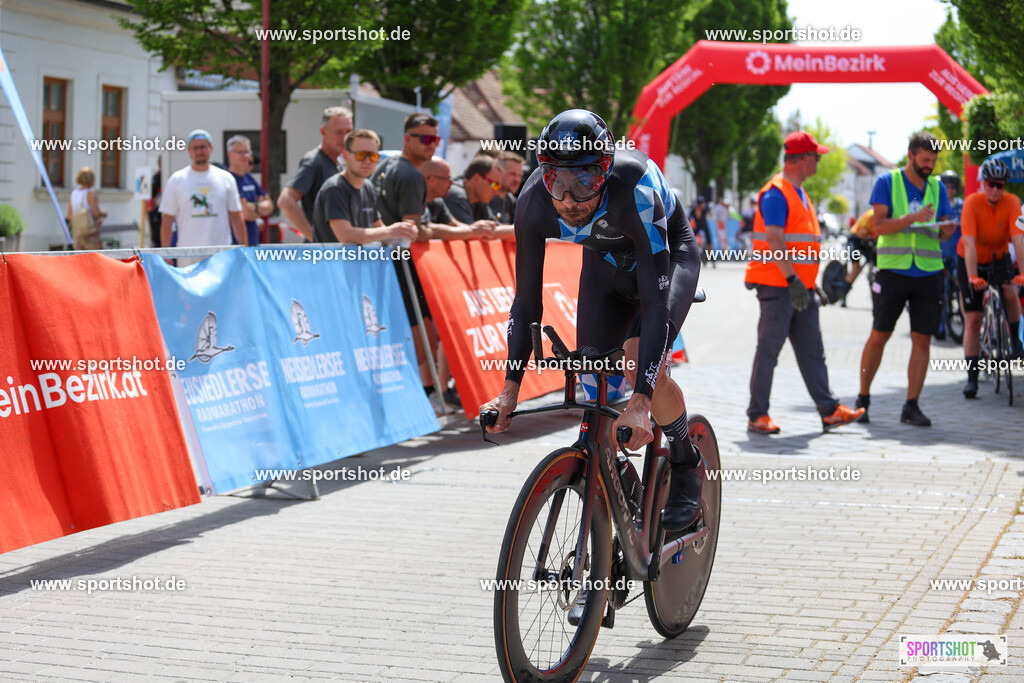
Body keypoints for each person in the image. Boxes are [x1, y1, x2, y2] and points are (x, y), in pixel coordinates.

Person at [480, 109, 703, 532]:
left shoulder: (633, 187)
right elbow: (526, 302)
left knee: (639, 368)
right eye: (556, 179)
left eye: (585, 179)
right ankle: (618, 485)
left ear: (605, 170)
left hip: (667, 258)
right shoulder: (532, 202)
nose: (569, 198)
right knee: (593, 375)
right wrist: (509, 392)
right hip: (604, 263)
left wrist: (639, 403)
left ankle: (685, 457)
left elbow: (654, 306)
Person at [744, 131, 865, 434]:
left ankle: (829, 410)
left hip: (800, 288)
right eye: (817, 156)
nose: (819, 161)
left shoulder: (798, 192)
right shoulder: (776, 192)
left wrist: (810, 285)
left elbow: (801, 247)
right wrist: (794, 281)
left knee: (813, 351)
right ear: (803, 159)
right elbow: (774, 239)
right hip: (779, 285)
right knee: (768, 350)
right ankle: (757, 415)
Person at [855, 132, 957, 426]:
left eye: (933, 161)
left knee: (922, 339)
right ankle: (863, 399)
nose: (929, 166)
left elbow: (941, 226)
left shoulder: (937, 188)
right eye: (925, 160)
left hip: (928, 272)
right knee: (880, 335)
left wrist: (945, 229)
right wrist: (914, 218)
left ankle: (911, 406)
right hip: (893, 271)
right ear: (911, 155)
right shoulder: (887, 182)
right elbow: (880, 226)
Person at [370, 112, 460, 409]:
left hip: (383, 262)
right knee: (421, 336)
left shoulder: (386, 166)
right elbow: (413, 232)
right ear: (407, 139)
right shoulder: (410, 175)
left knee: (401, 334)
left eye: (435, 139)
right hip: (402, 264)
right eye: (425, 138)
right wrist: (443, 231)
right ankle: (416, 399)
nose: (431, 144)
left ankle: (414, 396)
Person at [958, 159, 1024, 396]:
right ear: (984, 183)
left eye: (1000, 185)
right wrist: (974, 276)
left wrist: (1023, 273)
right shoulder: (972, 203)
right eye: (991, 184)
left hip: (999, 257)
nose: (995, 189)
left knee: (1010, 291)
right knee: (973, 320)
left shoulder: (1012, 202)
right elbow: (969, 243)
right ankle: (972, 378)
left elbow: (1018, 239)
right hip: (970, 259)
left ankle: (1016, 340)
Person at [311, 129, 418, 244]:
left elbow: (379, 230)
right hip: (331, 261)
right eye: (361, 155)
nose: (367, 161)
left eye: (372, 156)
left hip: (358, 260)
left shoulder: (367, 186)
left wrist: (405, 232)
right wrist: (390, 231)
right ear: (346, 155)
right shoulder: (335, 188)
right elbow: (345, 236)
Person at [159, 129, 247, 266]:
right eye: (195, 148)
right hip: (187, 254)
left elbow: (236, 217)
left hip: (220, 253)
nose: (199, 151)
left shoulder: (226, 178)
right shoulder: (177, 180)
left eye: (203, 147)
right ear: (189, 150)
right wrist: (166, 254)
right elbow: (167, 220)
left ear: (210, 148)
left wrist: (244, 248)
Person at [279, 106, 352, 241]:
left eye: (348, 131)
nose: (345, 137)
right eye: (339, 132)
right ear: (323, 132)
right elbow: (286, 201)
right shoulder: (314, 161)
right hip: (322, 254)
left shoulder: (338, 162)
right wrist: (314, 237)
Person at [226, 135, 274, 247]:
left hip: (253, 242)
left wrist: (254, 206)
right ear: (229, 154)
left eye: (247, 152)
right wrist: (260, 210)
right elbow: (245, 214)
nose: (245, 156)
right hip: (236, 245)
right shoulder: (228, 179)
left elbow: (270, 206)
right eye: (240, 152)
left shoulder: (249, 178)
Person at [936, 169, 964, 340]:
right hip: (939, 252)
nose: (950, 190)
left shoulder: (962, 205)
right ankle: (939, 324)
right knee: (940, 291)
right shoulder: (937, 204)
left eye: (953, 187)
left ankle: (963, 318)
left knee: (960, 284)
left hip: (957, 253)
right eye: (947, 186)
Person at [444, 156, 503, 224]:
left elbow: (494, 227)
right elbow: (470, 232)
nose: (495, 192)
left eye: (498, 186)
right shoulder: (456, 195)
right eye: (494, 185)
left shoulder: (479, 199)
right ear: (476, 179)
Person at [68, 167, 106, 250]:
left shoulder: (74, 193)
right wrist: (103, 213)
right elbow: (96, 213)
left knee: (80, 259)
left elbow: (69, 215)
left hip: (77, 233)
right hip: (90, 233)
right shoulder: (90, 193)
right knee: (93, 258)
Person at [490, 151, 525, 224]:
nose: (517, 180)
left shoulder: (510, 199)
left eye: (520, 175)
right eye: (513, 174)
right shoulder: (485, 196)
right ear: (498, 172)